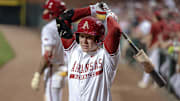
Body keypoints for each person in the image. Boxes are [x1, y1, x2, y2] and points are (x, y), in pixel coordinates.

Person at [56, 4, 121, 101]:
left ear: (98, 38)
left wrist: (110, 17)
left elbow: (115, 30)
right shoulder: (73, 51)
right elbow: (62, 19)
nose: (84, 41)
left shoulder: (106, 57)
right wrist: (92, 9)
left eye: (89, 37)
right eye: (82, 36)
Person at [31, 0, 68, 101]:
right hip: (64, 68)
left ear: (53, 13)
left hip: (53, 70)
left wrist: (38, 74)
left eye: (48, 9)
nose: (45, 12)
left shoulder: (48, 29)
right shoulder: (66, 25)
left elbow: (48, 55)